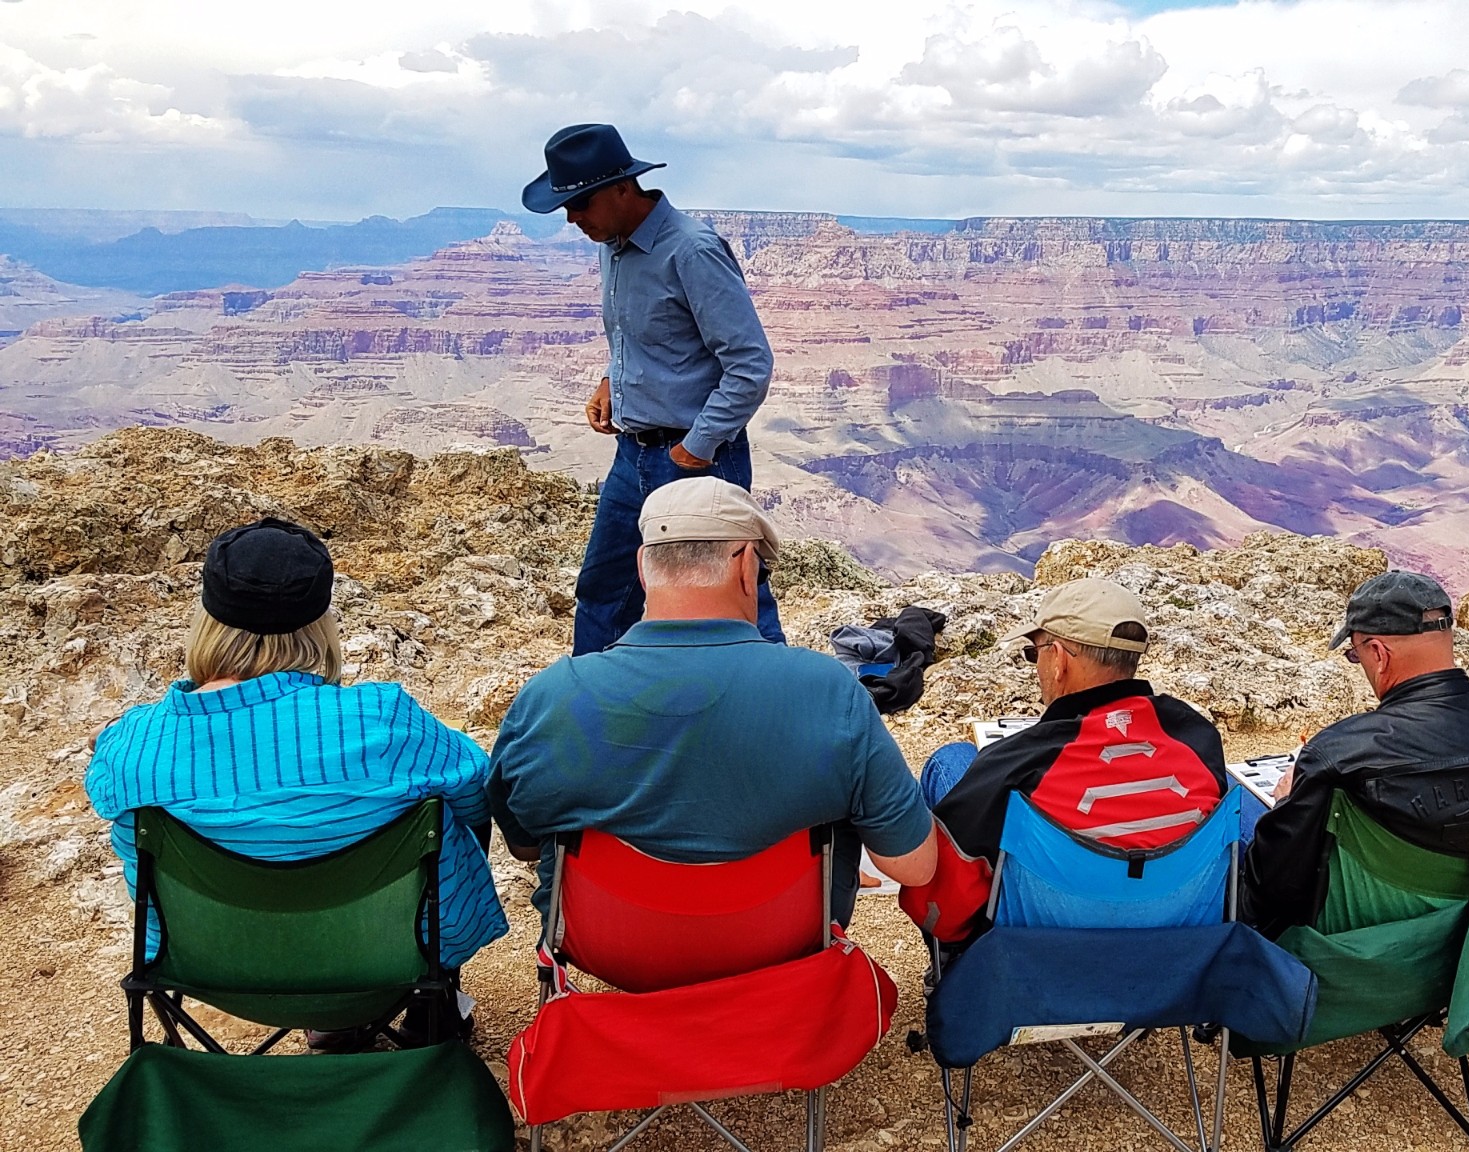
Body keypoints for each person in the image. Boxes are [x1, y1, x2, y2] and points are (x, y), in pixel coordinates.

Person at [83, 518, 506, 1048]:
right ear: (320, 623)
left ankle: (338, 1027)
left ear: (207, 621)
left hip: (213, 967)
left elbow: (106, 801)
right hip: (389, 959)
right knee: (453, 816)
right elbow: (477, 787)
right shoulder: (384, 720)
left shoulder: (134, 745)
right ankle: (430, 1006)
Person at [487, 477, 937, 927]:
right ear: (745, 566)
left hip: (608, 948)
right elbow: (912, 866)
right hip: (780, 941)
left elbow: (524, 843)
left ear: (643, 567)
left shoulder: (547, 699)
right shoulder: (831, 691)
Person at [523, 122, 783, 653]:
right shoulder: (611, 245)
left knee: (736, 595)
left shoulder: (690, 251)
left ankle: (783, 710)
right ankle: (593, 708)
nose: (572, 219)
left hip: (694, 456)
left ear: (623, 189)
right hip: (632, 456)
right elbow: (643, 338)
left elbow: (750, 363)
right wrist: (610, 383)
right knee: (604, 590)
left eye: (579, 204)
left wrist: (698, 445)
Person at [898, 579, 1232, 941]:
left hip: (1037, 953)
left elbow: (940, 913)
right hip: (1180, 938)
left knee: (951, 761)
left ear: (1058, 660)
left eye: (1035, 651)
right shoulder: (1197, 736)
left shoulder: (1016, 761)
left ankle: (950, 968)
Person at [1243, 571, 1469, 936]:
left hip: (1359, 960)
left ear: (1379, 654)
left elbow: (1269, 890)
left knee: (1239, 809)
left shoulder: (1340, 752)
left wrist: (1287, 802)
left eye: (1355, 654)